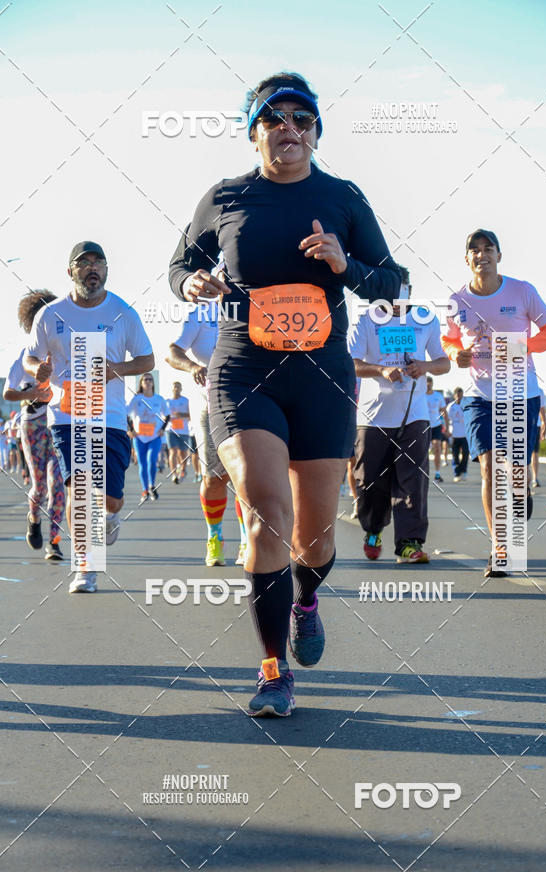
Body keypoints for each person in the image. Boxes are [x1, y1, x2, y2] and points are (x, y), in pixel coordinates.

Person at [168, 71, 404, 717]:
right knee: (267, 513)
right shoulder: (225, 197)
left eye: (301, 119)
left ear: (316, 132)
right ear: (255, 133)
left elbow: (394, 285)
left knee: (315, 539)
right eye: (274, 118)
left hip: (323, 377)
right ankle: (273, 670)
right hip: (243, 369)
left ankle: (305, 597)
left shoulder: (344, 198)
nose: (289, 128)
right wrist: (190, 285)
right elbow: (179, 265)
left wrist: (343, 264)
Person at [24, 241, 154, 593]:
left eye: (99, 263)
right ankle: (85, 565)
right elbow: (29, 358)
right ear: (71, 272)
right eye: (84, 264)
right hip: (66, 416)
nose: (92, 269)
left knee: (110, 498)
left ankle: (111, 515)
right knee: (78, 488)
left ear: (107, 271)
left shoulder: (123, 313)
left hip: (109, 418)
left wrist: (117, 369)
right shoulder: (50, 314)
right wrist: (40, 369)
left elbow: (147, 360)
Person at [442, 229, 546, 577]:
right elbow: (448, 339)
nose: (482, 255)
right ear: (467, 259)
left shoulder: (522, 291)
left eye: (488, 249)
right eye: (474, 251)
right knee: (489, 468)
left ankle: (522, 488)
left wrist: (525, 346)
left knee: (515, 470)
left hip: (521, 394)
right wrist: (456, 353)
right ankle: (499, 547)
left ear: (498, 255)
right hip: (480, 396)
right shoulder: (456, 300)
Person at [349, 283, 450, 563]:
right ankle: (373, 529)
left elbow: (444, 362)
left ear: (409, 290)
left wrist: (425, 367)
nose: (393, 300)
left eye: (399, 292)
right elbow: (351, 363)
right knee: (369, 481)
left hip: (414, 415)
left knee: (412, 480)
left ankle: (409, 543)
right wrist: (381, 369)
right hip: (373, 417)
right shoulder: (365, 319)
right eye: (386, 293)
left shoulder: (424, 319)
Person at [166, 304, 247, 566]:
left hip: (248, 403)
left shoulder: (251, 305)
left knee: (247, 478)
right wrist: (191, 367)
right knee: (216, 478)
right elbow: (172, 351)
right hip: (208, 406)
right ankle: (215, 537)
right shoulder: (200, 313)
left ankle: (247, 540)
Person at [4, 290, 66, 560]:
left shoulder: (64, 352)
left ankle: (54, 541)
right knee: (39, 485)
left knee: (58, 484)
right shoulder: (23, 356)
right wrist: (30, 394)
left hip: (58, 422)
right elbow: (8, 393)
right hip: (31, 424)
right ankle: (33, 517)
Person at [127, 374, 169, 503]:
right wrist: (131, 430)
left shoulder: (159, 399)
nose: (148, 381)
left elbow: (167, 415)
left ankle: (152, 485)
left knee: (152, 461)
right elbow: (127, 415)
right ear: (141, 383)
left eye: (150, 379)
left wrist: (162, 429)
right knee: (142, 464)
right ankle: (145, 489)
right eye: (145, 379)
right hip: (139, 437)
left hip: (154, 436)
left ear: (153, 383)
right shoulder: (137, 399)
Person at [165, 381, 192, 483]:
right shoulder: (167, 402)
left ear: (181, 389)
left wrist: (181, 414)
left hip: (183, 431)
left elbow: (190, 416)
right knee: (173, 451)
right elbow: (163, 416)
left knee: (182, 453)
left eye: (178, 387)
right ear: (172, 389)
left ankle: (183, 469)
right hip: (171, 430)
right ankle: (174, 474)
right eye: (175, 387)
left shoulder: (185, 401)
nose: (176, 388)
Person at [425, 377, 448, 482]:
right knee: (423, 451)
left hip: (436, 426)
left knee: (437, 448)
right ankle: (422, 474)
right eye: (426, 383)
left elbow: (444, 412)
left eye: (430, 383)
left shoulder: (438, 396)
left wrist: (446, 426)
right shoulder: (420, 396)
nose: (428, 384)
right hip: (423, 426)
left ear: (432, 384)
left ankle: (437, 474)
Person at [447, 387, 469, 482]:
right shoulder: (450, 407)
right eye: (457, 395)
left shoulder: (466, 406)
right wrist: (448, 431)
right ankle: (457, 473)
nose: (459, 397)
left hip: (465, 435)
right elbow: (447, 420)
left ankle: (463, 471)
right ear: (454, 395)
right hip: (454, 435)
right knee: (455, 455)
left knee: (465, 454)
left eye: (461, 395)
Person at [530, 390, 546, 488]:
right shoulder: (516, 386)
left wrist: (544, 423)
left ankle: (535, 478)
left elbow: (542, 408)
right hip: (519, 425)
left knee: (535, 453)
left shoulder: (539, 391)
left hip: (536, 425)